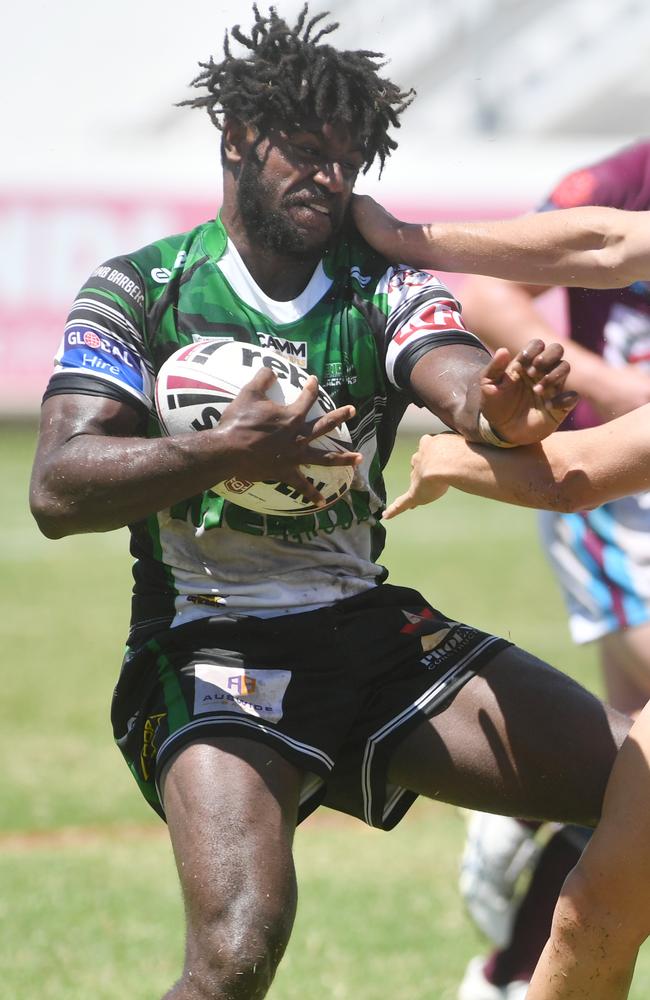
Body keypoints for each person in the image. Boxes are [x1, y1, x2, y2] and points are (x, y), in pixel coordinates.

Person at [29, 8, 629, 999]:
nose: (328, 176)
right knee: (236, 951)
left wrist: (503, 407)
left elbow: (457, 380)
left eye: (346, 158)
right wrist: (230, 449)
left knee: (635, 792)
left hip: (368, 633)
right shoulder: (142, 290)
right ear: (235, 138)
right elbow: (58, 486)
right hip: (209, 646)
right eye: (304, 151)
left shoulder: (375, 286)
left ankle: (515, 972)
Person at [357, 144, 650, 999]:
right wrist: (408, 238)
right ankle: (508, 970)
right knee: (599, 897)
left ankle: (527, 802)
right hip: (616, 505)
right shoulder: (621, 175)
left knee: (621, 776)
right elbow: (602, 242)